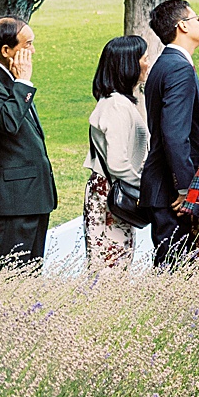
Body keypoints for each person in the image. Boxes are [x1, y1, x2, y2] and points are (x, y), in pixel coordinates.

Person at [141, 0, 199, 267]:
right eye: (197, 19)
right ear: (182, 25)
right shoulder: (179, 67)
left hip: (164, 184)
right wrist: (185, 187)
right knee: (177, 272)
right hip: (171, 190)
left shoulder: (165, 64)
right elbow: (174, 133)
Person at [0, 18, 55, 267]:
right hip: (9, 205)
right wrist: (24, 82)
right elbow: (6, 121)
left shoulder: (10, 77)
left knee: (30, 278)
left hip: (31, 198)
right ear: (6, 50)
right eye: (28, 44)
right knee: (11, 277)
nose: (33, 51)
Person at [84, 35, 150, 272]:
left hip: (109, 191)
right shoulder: (116, 106)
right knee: (110, 270)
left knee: (112, 265)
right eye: (143, 58)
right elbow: (118, 163)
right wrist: (145, 187)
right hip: (110, 194)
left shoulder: (117, 102)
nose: (147, 63)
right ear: (128, 64)